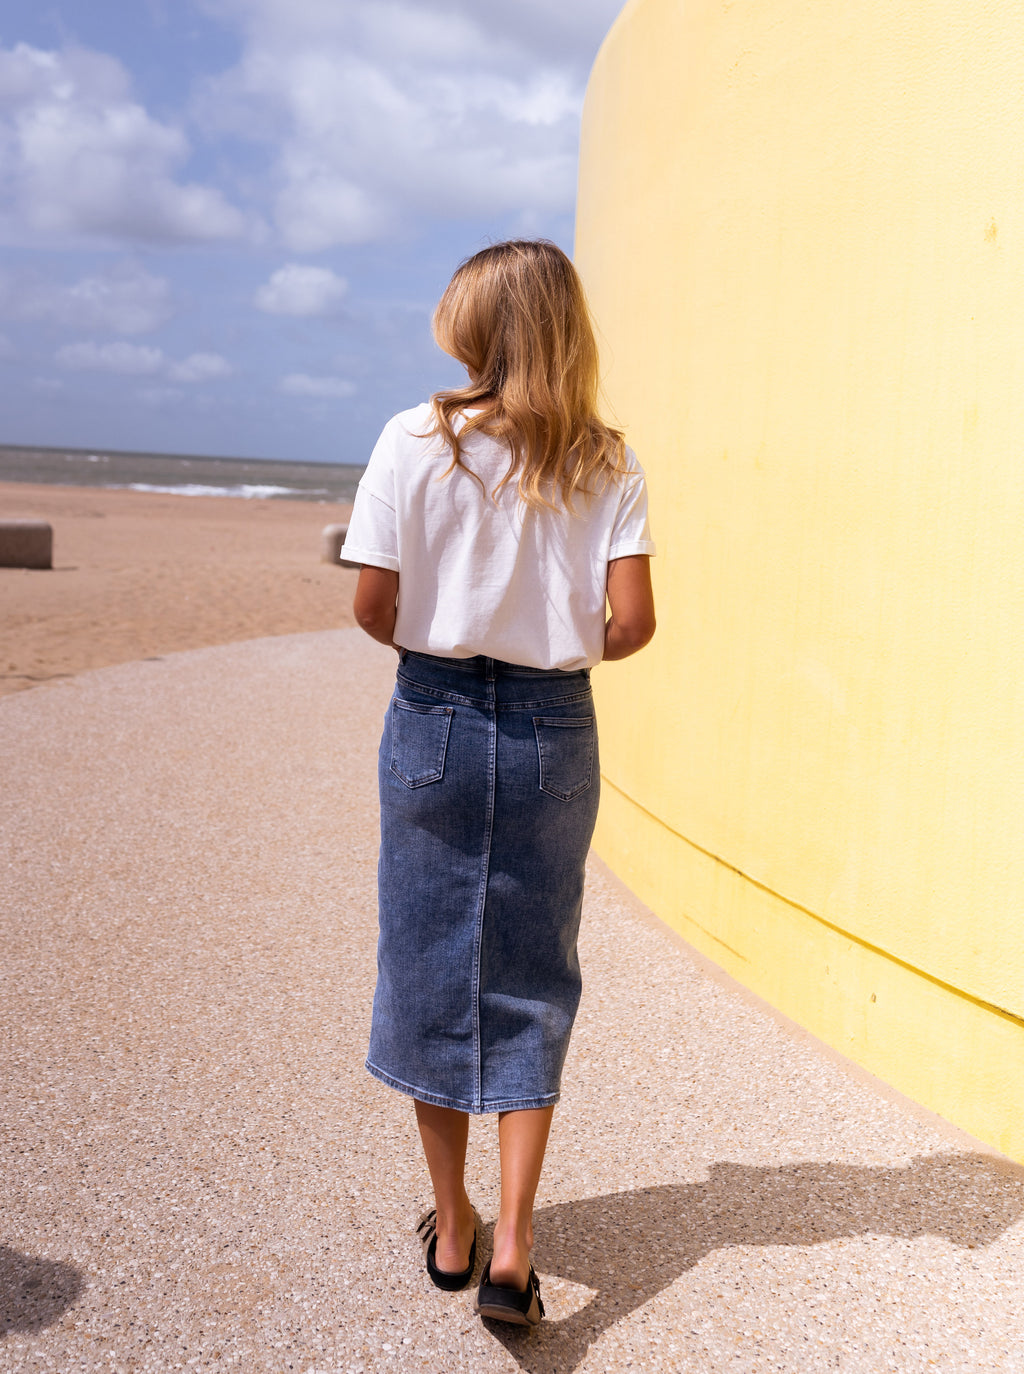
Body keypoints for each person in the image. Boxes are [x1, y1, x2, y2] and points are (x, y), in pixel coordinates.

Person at [341, 239, 656, 1327]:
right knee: (532, 969)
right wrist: (547, 642)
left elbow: (371, 605)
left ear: (473, 325)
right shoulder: (605, 458)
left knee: (428, 958)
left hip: (432, 711)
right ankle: (518, 1242)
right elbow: (632, 626)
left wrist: (451, 640)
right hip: (552, 728)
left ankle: (454, 1226)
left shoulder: (413, 438)